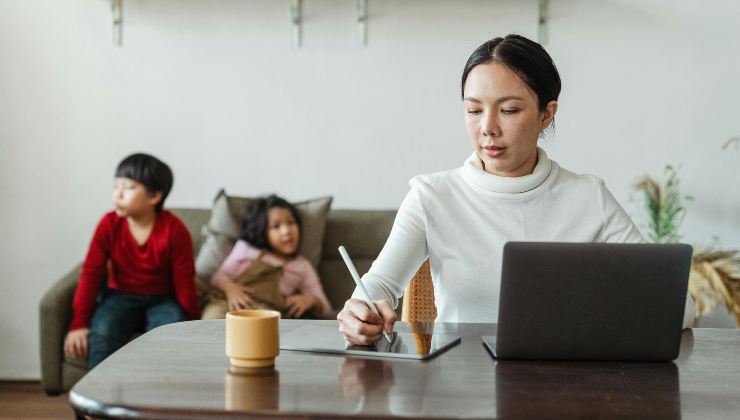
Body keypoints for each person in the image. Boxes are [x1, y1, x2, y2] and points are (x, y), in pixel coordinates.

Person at [337, 34, 696, 345]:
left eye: (508, 110)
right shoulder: (432, 195)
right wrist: (359, 313)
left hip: (564, 391)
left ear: (546, 114)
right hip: (458, 392)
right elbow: (378, 286)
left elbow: (680, 307)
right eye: (474, 110)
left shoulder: (588, 197)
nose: (488, 128)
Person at [64, 153, 199, 368]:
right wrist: (78, 322)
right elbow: (91, 272)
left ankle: (159, 395)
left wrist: (194, 326)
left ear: (154, 196)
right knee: (104, 329)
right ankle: (98, 396)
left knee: (170, 329)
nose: (117, 194)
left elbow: (185, 282)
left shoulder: (174, 230)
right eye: (116, 186)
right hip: (119, 296)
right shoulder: (109, 224)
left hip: (162, 300)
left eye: (128, 187)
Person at [202, 195, 332, 319]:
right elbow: (217, 277)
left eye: (291, 222)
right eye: (276, 226)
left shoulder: (302, 265)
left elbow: (326, 309)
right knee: (212, 326)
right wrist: (230, 288)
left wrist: (311, 300)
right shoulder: (246, 249)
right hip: (227, 305)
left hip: (267, 313)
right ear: (262, 230)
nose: (286, 231)